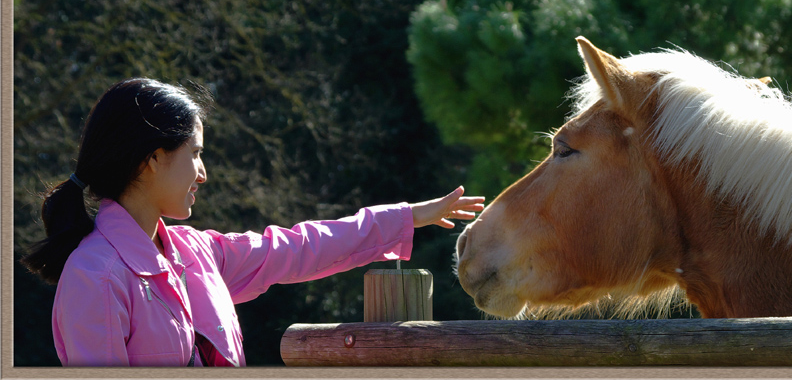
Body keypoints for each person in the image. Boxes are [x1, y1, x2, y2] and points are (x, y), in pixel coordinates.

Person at [20, 78, 486, 367]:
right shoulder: (95, 278)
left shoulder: (198, 254)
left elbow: (300, 246)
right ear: (153, 159)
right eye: (196, 154)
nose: (203, 172)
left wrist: (407, 217)